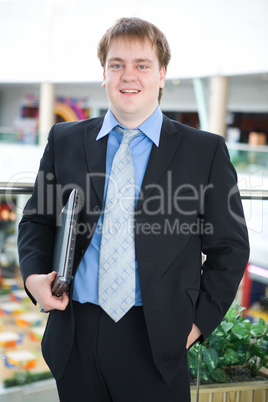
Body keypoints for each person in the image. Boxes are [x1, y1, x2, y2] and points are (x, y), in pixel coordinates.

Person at [18, 17, 249, 402]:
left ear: (161, 74)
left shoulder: (203, 151)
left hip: (156, 339)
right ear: (104, 75)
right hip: (75, 331)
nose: (129, 76)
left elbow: (230, 248)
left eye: (142, 65)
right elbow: (36, 221)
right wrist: (33, 279)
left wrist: (194, 326)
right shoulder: (65, 140)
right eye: (117, 64)